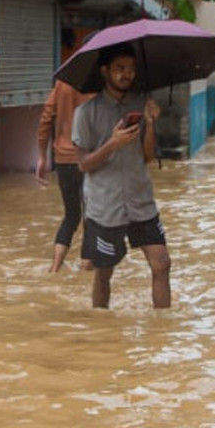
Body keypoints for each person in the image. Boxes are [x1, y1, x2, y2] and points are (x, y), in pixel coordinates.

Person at [74, 49, 169, 309]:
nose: (127, 74)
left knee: (162, 264)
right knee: (104, 272)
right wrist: (112, 144)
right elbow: (83, 164)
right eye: (119, 68)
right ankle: (101, 331)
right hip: (105, 207)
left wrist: (150, 124)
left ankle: (162, 333)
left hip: (141, 201)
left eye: (130, 68)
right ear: (105, 71)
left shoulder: (141, 106)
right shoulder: (86, 113)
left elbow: (148, 156)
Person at [36, 73, 94, 271]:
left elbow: (46, 116)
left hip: (63, 158)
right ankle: (86, 266)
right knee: (91, 216)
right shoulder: (99, 82)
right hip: (90, 158)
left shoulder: (64, 81)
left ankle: (55, 267)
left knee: (71, 215)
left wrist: (42, 156)